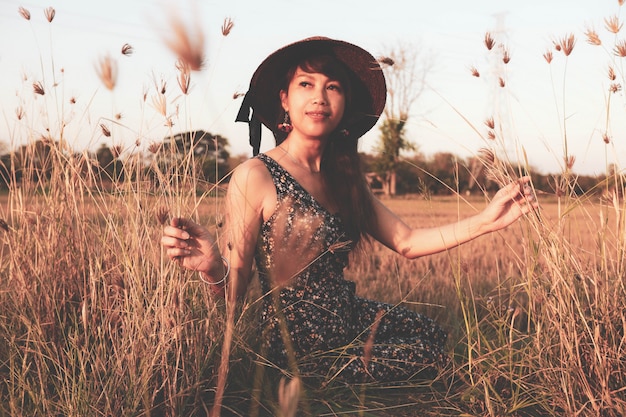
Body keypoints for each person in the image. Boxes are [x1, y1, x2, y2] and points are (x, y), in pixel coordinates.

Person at [161, 37, 538, 384]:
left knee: (433, 333)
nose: (319, 97)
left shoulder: (345, 179)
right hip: (302, 349)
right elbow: (236, 290)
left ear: (345, 106)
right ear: (284, 100)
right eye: (306, 84)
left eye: (333, 87)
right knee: (429, 357)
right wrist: (212, 268)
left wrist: (486, 221)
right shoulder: (256, 176)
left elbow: (406, 241)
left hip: (350, 315)